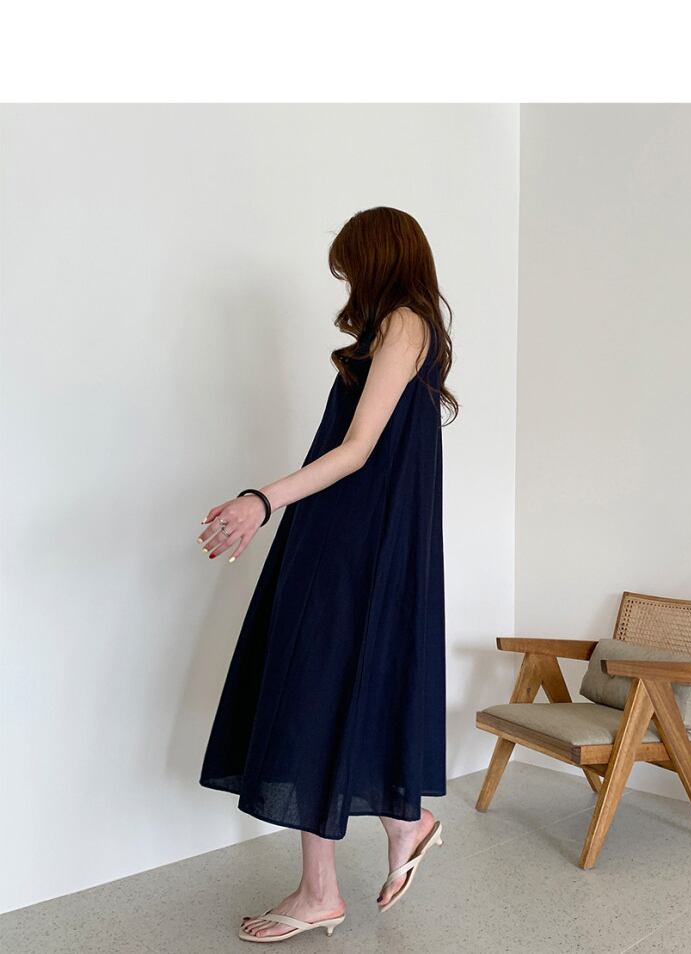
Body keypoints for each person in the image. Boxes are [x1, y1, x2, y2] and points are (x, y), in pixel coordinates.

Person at [196, 207, 457, 942]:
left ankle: (325, 889)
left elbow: (358, 449)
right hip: (348, 540)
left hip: (352, 545)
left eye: (351, 268)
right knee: (329, 692)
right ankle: (402, 824)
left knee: (313, 695)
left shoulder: (404, 322)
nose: (348, 283)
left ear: (380, 259)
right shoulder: (404, 330)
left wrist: (261, 499)